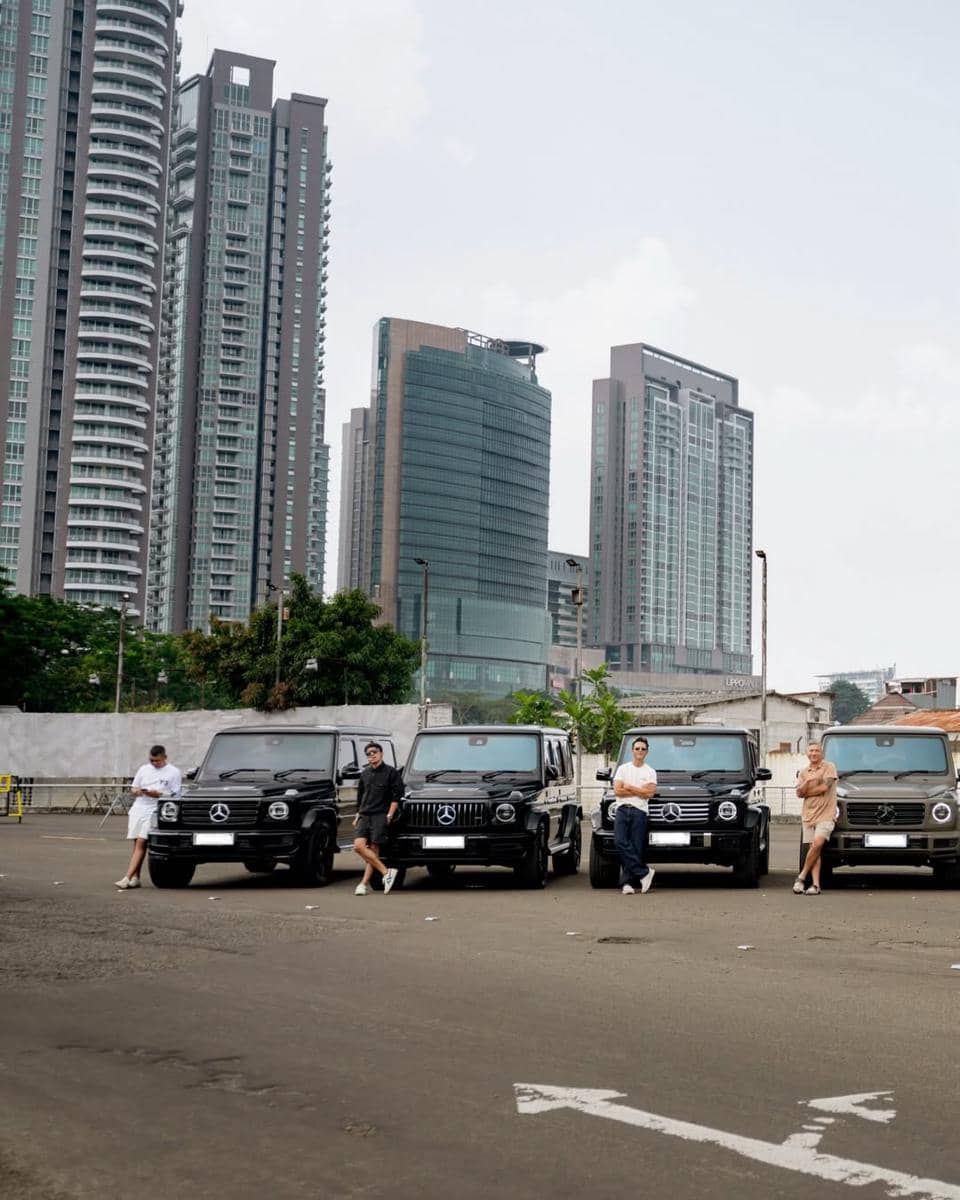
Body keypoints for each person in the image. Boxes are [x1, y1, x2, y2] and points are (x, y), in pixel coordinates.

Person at [116, 744, 182, 889]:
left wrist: (158, 794)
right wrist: (138, 791)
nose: (154, 763)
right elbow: (133, 787)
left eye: (157, 760)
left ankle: (127, 877)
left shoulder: (174, 772)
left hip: (155, 809)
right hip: (139, 807)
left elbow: (175, 794)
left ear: (164, 757)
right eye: (151, 760)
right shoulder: (143, 769)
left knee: (142, 841)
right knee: (137, 843)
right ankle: (136, 877)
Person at [353, 741, 403, 895]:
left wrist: (389, 815)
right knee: (358, 846)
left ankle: (363, 884)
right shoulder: (365, 773)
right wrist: (357, 815)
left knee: (374, 850)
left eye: (374, 752)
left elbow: (396, 796)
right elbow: (360, 797)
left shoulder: (391, 772)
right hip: (364, 815)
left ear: (381, 753)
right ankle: (386, 872)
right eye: (368, 753)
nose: (371, 755)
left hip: (380, 815)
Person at [612, 736, 657, 895]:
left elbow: (649, 794)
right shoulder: (623, 769)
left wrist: (630, 787)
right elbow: (618, 791)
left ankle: (627, 884)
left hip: (640, 811)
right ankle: (644, 872)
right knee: (620, 841)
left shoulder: (650, 771)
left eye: (643, 749)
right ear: (632, 751)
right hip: (622, 809)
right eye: (637, 748)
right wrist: (640, 790)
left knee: (636, 847)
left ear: (647, 752)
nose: (640, 751)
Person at [793, 742, 838, 896]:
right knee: (814, 848)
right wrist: (807, 783)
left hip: (826, 814)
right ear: (807, 753)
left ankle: (801, 876)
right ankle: (816, 885)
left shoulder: (829, 767)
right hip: (808, 815)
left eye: (817, 751)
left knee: (818, 843)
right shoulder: (803, 772)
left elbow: (825, 787)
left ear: (822, 753)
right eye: (811, 750)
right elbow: (798, 793)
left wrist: (807, 790)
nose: (814, 753)